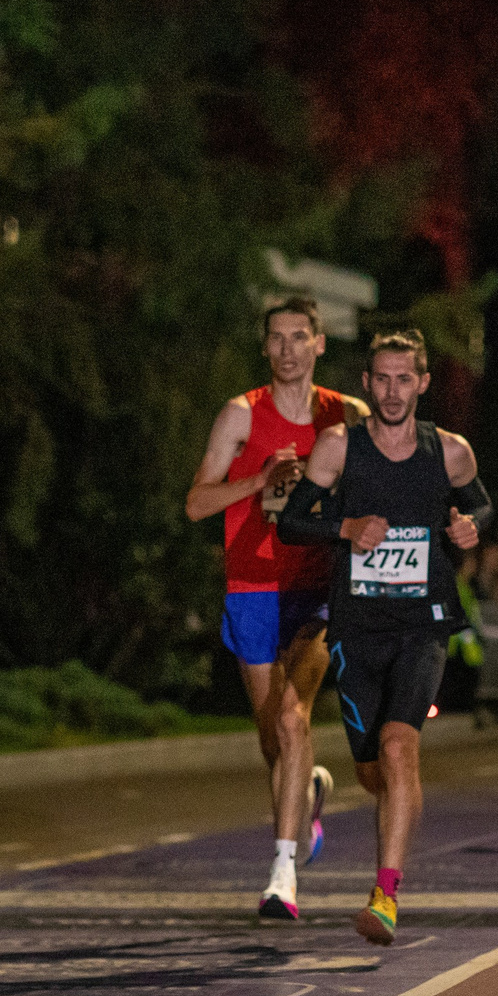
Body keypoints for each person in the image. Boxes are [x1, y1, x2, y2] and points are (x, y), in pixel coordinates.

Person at [277, 327, 488, 945]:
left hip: (422, 625)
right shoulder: (339, 446)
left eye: (406, 379)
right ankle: (334, 796)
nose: (393, 391)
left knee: (400, 747)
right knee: (374, 773)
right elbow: (292, 523)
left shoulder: (450, 451)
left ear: (422, 383)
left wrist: (470, 527)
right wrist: (346, 526)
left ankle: (386, 894)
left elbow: (481, 508)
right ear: (367, 385)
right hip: (356, 627)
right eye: (383, 379)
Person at [185, 294, 361, 921]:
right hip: (253, 584)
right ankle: (306, 789)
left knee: (292, 719)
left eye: (299, 337)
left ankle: (282, 874)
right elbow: (196, 504)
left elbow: (381, 490)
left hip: (316, 588)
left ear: (320, 343)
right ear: (265, 347)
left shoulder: (347, 414)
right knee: (272, 739)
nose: (288, 349)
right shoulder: (241, 414)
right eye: (277, 338)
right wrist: (258, 481)